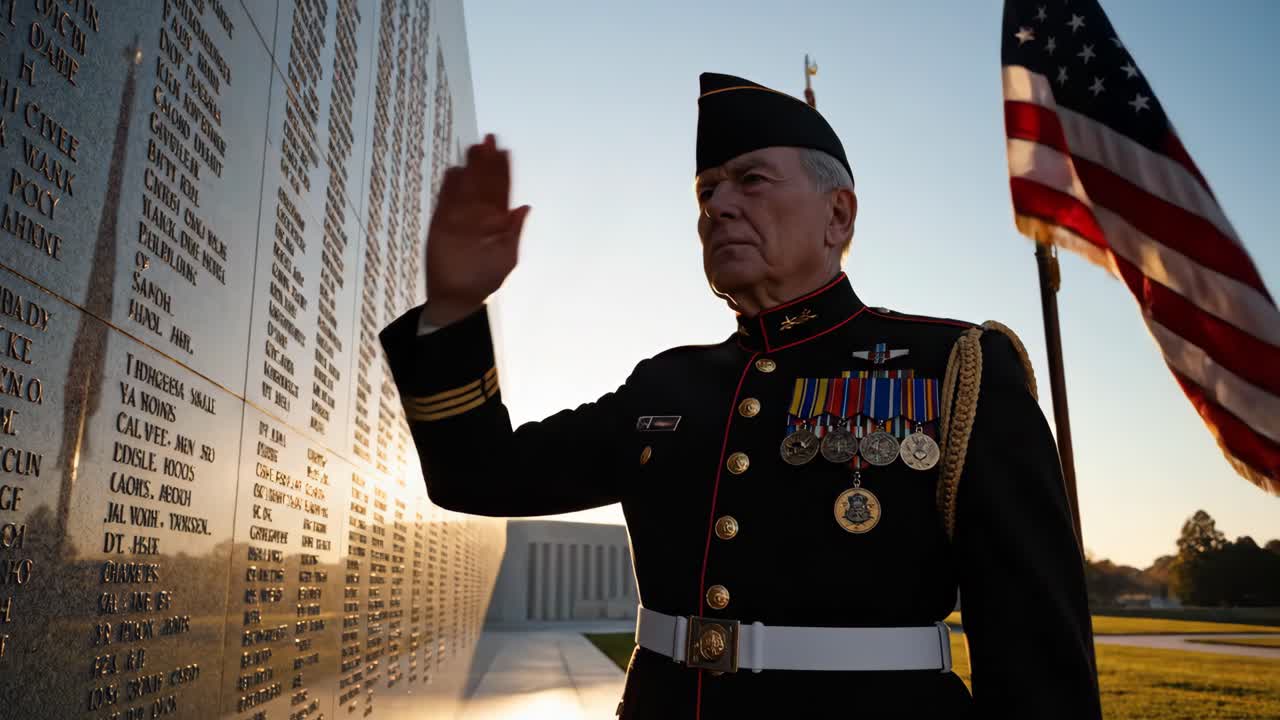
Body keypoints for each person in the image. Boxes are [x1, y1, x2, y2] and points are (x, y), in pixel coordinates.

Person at [381, 72, 1102, 719]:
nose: (719, 205)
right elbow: (477, 474)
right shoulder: (666, 383)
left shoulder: (955, 367)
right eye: (707, 191)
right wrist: (452, 308)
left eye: (751, 180)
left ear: (839, 216)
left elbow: (1034, 648)